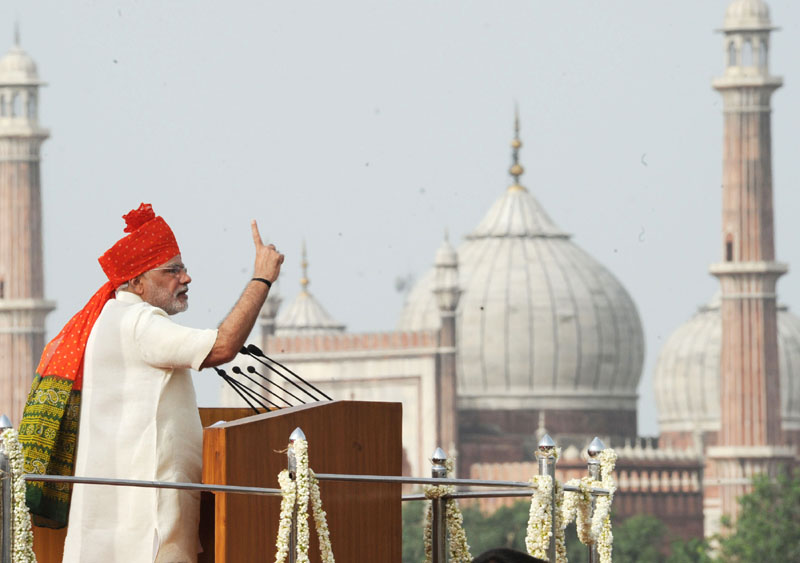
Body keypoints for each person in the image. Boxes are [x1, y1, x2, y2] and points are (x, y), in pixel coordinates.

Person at [19, 203, 283, 563]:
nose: (185, 278)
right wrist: (261, 279)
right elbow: (222, 347)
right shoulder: (138, 323)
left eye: (184, 268)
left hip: (121, 526)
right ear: (137, 282)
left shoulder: (107, 320)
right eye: (171, 271)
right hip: (144, 532)